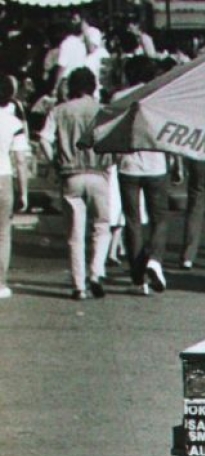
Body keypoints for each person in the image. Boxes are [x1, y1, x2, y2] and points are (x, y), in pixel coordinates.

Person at [39, 65, 111, 301]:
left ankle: (78, 285)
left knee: (74, 234)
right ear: (93, 86)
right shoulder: (103, 111)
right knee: (101, 226)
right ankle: (96, 272)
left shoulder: (59, 111)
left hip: (70, 174)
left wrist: (55, 162)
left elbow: (43, 139)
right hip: (99, 173)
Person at [114, 56, 170, 294]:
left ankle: (138, 280)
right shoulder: (161, 97)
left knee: (133, 220)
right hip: (156, 164)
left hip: (128, 164)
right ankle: (155, 259)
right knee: (160, 218)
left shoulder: (119, 98)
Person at [0, 73, 30, 300]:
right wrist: (24, 191)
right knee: (3, 233)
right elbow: (20, 160)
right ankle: (0, 282)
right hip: (4, 178)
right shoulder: (14, 124)